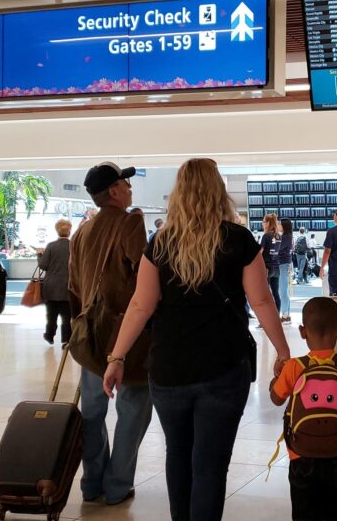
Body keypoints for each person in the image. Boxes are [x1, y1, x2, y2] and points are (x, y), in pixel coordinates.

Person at [102, 158, 291, 521]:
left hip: (169, 369)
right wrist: (282, 351)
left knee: (178, 454)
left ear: (179, 193)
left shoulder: (161, 241)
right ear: (217, 190)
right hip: (223, 368)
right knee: (209, 464)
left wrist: (116, 357)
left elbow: (140, 305)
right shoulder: (238, 239)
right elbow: (262, 299)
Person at [68, 162, 152, 506]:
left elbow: (72, 286)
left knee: (92, 412)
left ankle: (92, 484)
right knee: (133, 410)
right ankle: (118, 486)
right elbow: (145, 277)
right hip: (127, 337)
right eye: (125, 184)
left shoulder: (81, 232)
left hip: (89, 336)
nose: (130, 189)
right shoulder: (131, 222)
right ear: (114, 192)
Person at [270, 297, 337, 521]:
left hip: (301, 453)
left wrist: (277, 376)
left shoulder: (295, 367)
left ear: (303, 332)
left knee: (304, 509)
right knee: (335, 509)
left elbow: (276, 398)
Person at [39, 219, 73, 346]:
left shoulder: (51, 246)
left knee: (51, 314)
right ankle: (66, 339)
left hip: (51, 286)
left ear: (57, 230)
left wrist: (39, 255)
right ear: (69, 231)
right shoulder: (73, 246)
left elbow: (43, 265)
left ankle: (49, 335)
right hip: (68, 286)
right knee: (67, 316)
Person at [261, 214, 281, 311]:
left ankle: (266, 320)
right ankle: (277, 316)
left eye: (264, 221)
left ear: (268, 223)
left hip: (267, 267)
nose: (263, 223)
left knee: (265, 295)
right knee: (276, 293)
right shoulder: (278, 236)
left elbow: (259, 252)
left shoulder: (266, 236)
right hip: (276, 268)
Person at [278, 218, 294, 323]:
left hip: (283, 264)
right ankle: (286, 314)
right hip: (285, 263)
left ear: (284, 226)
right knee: (284, 290)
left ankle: (285, 315)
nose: (278, 225)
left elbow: (278, 248)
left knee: (283, 290)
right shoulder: (287, 236)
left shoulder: (286, 237)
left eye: (280, 224)